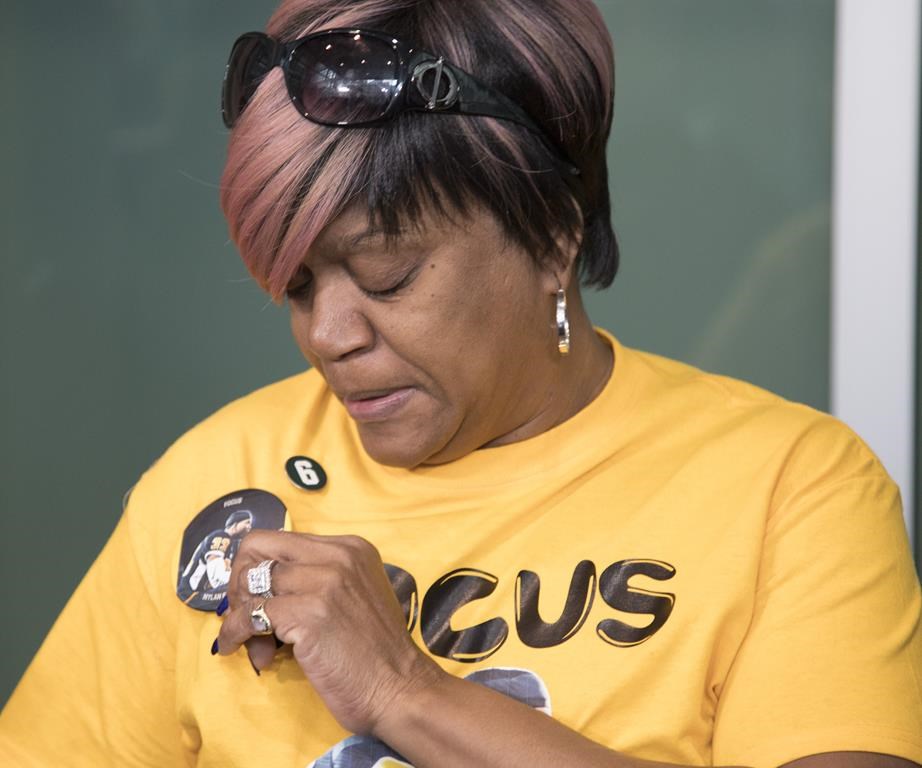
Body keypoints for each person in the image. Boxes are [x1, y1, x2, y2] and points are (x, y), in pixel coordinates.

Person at [1, 0, 920, 766]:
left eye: (389, 276)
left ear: (553, 231)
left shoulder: (789, 489)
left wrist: (405, 690)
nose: (327, 337)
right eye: (299, 286)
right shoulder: (214, 485)